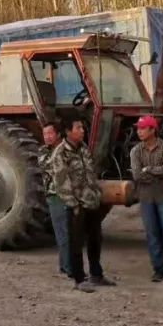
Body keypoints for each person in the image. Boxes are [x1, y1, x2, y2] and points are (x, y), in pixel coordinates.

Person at [52, 118, 115, 292]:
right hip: (77, 206)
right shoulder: (61, 153)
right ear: (67, 131)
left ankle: (96, 274)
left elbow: (91, 175)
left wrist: (97, 196)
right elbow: (61, 183)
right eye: (78, 127)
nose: (82, 130)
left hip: (92, 202)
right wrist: (74, 204)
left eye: (82, 127)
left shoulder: (84, 149)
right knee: (76, 243)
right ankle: (79, 279)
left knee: (95, 240)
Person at [129, 115, 163, 282]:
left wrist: (150, 170)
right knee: (152, 235)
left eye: (143, 128)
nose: (139, 132)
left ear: (153, 130)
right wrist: (158, 171)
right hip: (146, 198)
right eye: (138, 129)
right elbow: (137, 175)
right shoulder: (136, 151)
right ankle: (158, 270)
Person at [38, 122, 71, 277]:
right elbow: (51, 167)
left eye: (50, 133)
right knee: (63, 233)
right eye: (45, 134)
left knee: (69, 233)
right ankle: (69, 267)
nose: (47, 137)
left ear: (58, 134)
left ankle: (65, 266)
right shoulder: (44, 151)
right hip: (55, 196)